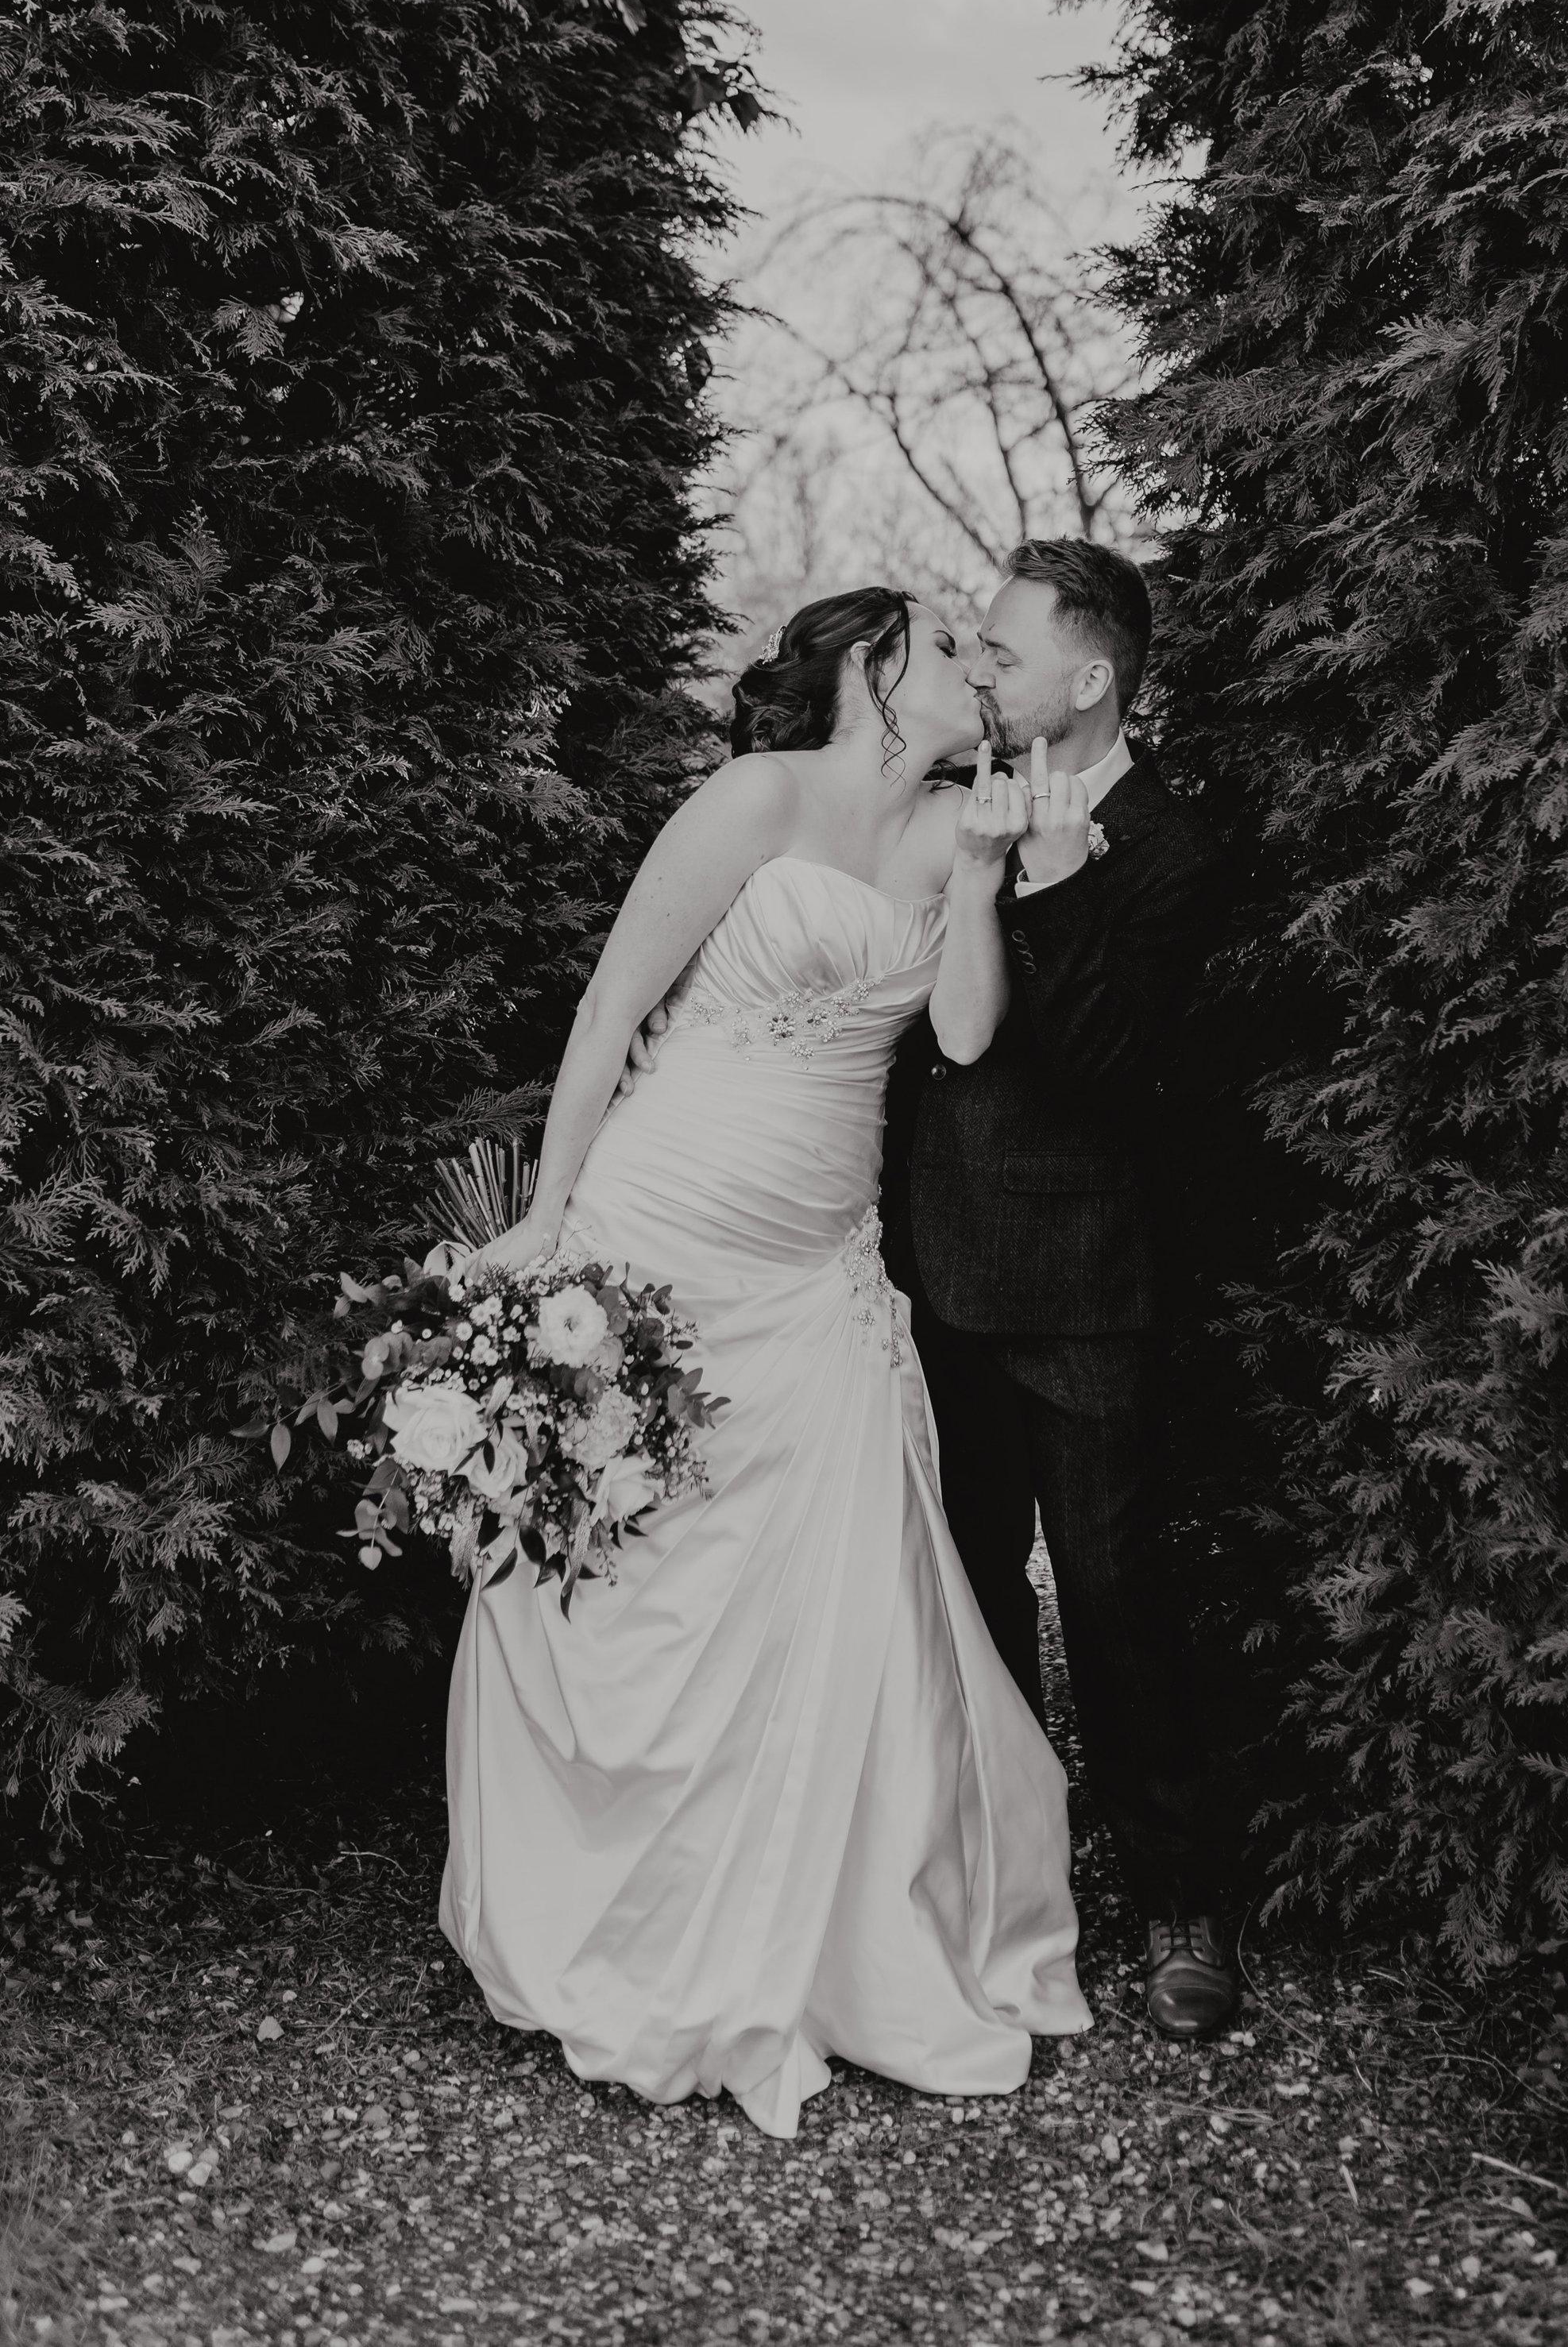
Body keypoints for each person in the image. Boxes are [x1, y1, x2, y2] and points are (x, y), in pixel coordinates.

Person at [442, 589, 1090, 2137]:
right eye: (948, 646)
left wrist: (991, 876)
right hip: (663, 1217)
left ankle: (815, 1945)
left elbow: (964, 1035)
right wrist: (550, 1218)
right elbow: (615, 1002)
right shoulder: (756, 796)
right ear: (875, 669)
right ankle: (638, 1927)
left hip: (815, 1265)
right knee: (649, 1567)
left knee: (822, 1588)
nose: (971, 672)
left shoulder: (951, 829)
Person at [884, 538, 1237, 2044]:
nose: (988, 671)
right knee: (967, 1591)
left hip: (1089, 1280)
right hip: (943, 1268)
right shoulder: (951, 808)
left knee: (1112, 1593)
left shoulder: (1176, 850)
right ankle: (1006, 1886)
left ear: (1090, 679)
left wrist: (1065, 886)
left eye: (1010, 653)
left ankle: (1185, 1902)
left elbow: (1123, 1077)